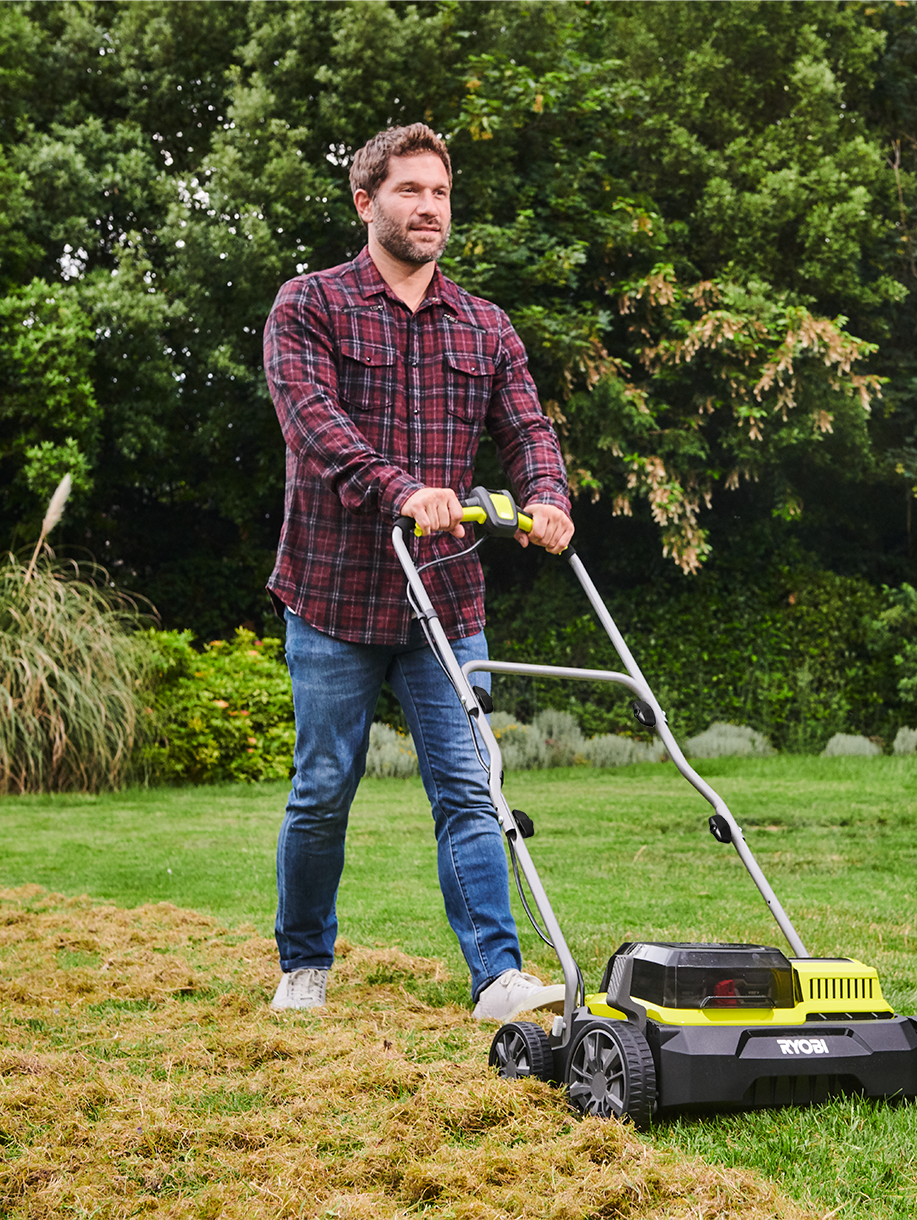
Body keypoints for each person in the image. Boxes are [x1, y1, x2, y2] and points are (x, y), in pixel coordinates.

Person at [262, 123, 574, 1018]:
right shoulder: (309, 306)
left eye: (439, 192)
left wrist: (545, 497)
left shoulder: (485, 324)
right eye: (410, 191)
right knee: (323, 789)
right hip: (333, 596)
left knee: (470, 788)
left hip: (446, 595)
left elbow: (527, 429)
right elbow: (315, 426)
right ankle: (305, 965)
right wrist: (403, 490)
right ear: (368, 202)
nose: (428, 207)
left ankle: (498, 975)